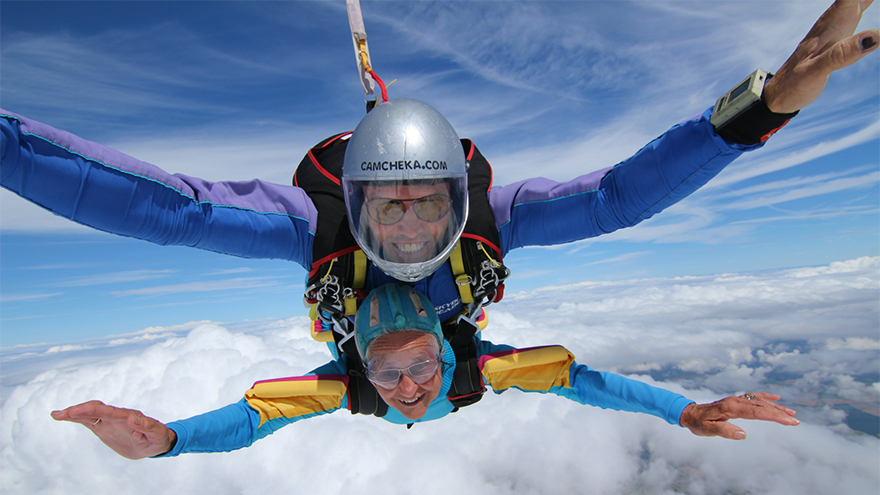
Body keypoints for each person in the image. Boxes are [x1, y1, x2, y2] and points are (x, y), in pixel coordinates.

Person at [1, 1, 877, 332]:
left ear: (465, 200)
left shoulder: (497, 217)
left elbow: (615, 196)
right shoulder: (315, 226)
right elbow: (163, 207)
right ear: (352, 201)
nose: (413, 228)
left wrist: (762, 106)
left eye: (429, 206)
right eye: (391, 209)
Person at [51, 284, 800, 460]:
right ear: (357, 365)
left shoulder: (479, 368)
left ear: (449, 352)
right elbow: (252, 416)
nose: (409, 388)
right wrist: (168, 439)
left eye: (422, 367)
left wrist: (684, 410)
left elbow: (581, 379)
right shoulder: (342, 382)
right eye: (386, 372)